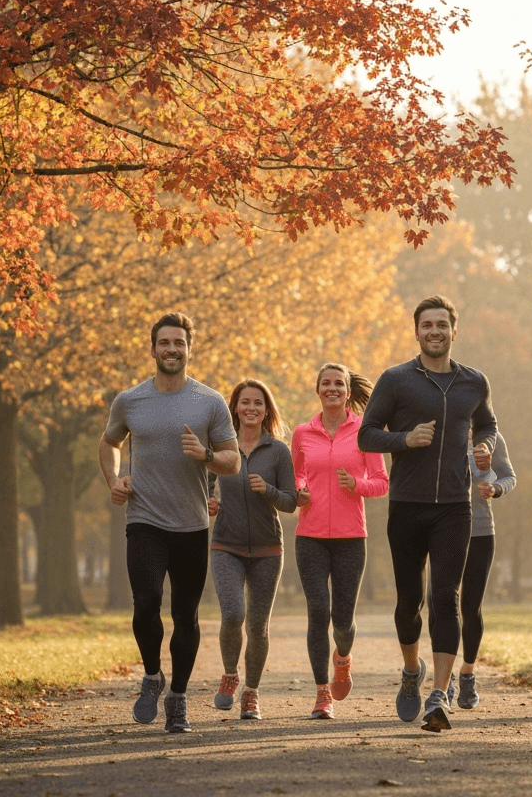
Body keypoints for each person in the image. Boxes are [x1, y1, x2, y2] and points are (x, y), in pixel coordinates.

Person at [359, 295, 497, 733]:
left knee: (446, 598)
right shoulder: (396, 380)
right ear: (416, 331)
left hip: (455, 507)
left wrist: (485, 445)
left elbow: (488, 423)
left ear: (454, 331)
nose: (434, 331)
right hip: (407, 506)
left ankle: (438, 695)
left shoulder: (474, 381)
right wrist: (404, 439)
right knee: (409, 602)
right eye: (427, 325)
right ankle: (410, 671)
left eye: (442, 324)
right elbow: (366, 435)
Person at [99, 312, 239, 734]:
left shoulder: (209, 401)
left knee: (186, 616)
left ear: (189, 349)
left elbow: (232, 461)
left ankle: (177, 697)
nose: (172, 349)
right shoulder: (130, 400)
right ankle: (151, 675)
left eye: (179, 343)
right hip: (144, 519)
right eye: (165, 342)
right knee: (145, 603)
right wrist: (114, 480)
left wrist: (206, 455)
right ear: (153, 348)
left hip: (191, 525)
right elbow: (109, 443)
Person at [290, 363, 389, 719]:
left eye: (339, 384)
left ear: (348, 392)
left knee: (342, 622)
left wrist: (357, 485)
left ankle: (342, 659)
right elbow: (296, 475)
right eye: (326, 383)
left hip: (351, 537)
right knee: (318, 611)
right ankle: (322, 694)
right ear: (317, 390)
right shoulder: (302, 433)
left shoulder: (365, 432)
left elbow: (381, 482)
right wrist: (299, 490)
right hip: (310, 535)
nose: (332, 388)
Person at [207, 379, 297, 721]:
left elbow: (290, 502)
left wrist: (268, 490)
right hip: (226, 545)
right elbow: (203, 489)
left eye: (258, 403)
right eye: (245, 402)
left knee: (258, 626)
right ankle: (230, 674)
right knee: (233, 614)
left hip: (267, 549)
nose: (251, 408)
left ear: (266, 410)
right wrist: (209, 502)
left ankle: (251, 693)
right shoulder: (220, 448)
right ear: (235, 407)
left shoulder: (278, 451)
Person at [430, 432, 516, 710]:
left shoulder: (491, 438)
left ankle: (467, 671)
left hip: (480, 531)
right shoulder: (442, 431)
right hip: (443, 531)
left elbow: (509, 476)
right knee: (440, 604)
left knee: (471, 606)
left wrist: (495, 489)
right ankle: (444, 677)